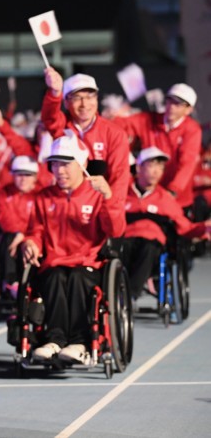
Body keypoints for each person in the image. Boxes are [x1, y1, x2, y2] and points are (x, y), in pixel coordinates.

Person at [21, 132, 125, 364]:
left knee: (78, 279)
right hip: (54, 261)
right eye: (55, 164)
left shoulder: (97, 194)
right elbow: (35, 231)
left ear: (82, 164)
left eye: (67, 164)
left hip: (87, 262)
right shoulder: (44, 197)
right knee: (54, 277)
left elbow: (116, 231)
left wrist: (109, 197)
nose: (60, 171)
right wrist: (31, 243)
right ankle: (55, 340)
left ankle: (80, 342)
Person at [120, 147, 211, 301]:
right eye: (151, 165)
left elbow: (185, 227)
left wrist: (205, 227)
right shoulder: (122, 192)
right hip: (125, 241)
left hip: (151, 246)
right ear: (138, 167)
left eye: (160, 168)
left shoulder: (165, 199)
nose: (156, 172)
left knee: (148, 247)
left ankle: (129, 296)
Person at [41, 68, 131, 208]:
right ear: (66, 102)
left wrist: (113, 208)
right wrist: (55, 92)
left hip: (99, 205)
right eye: (77, 98)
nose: (84, 104)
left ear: (96, 98)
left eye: (90, 96)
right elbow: (49, 118)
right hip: (68, 202)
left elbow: (119, 177)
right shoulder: (62, 127)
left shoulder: (114, 133)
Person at [112, 83, 202, 213]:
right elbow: (118, 126)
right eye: (169, 101)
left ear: (188, 110)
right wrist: (116, 116)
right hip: (147, 195)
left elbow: (187, 163)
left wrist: (173, 191)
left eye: (178, 104)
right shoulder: (149, 119)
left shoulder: (192, 129)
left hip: (177, 199)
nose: (171, 107)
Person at [0, 155, 41, 299]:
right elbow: (3, 218)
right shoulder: (3, 193)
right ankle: (11, 281)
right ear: (13, 176)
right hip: (10, 237)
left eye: (27, 175)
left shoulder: (40, 195)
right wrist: (19, 233)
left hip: (32, 237)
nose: (23, 179)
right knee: (9, 237)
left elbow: (40, 221)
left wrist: (24, 235)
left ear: (35, 177)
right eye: (19, 175)